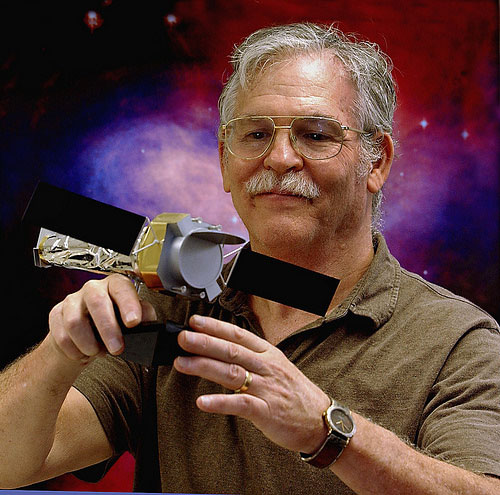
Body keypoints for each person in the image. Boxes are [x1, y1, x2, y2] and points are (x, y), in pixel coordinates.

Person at [1, 22, 499, 495]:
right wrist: (59, 354)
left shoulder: (456, 341)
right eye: (256, 134)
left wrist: (326, 432)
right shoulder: (167, 307)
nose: (280, 158)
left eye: (316, 134)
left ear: (377, 161)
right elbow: (11, 461)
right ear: (224, 161)